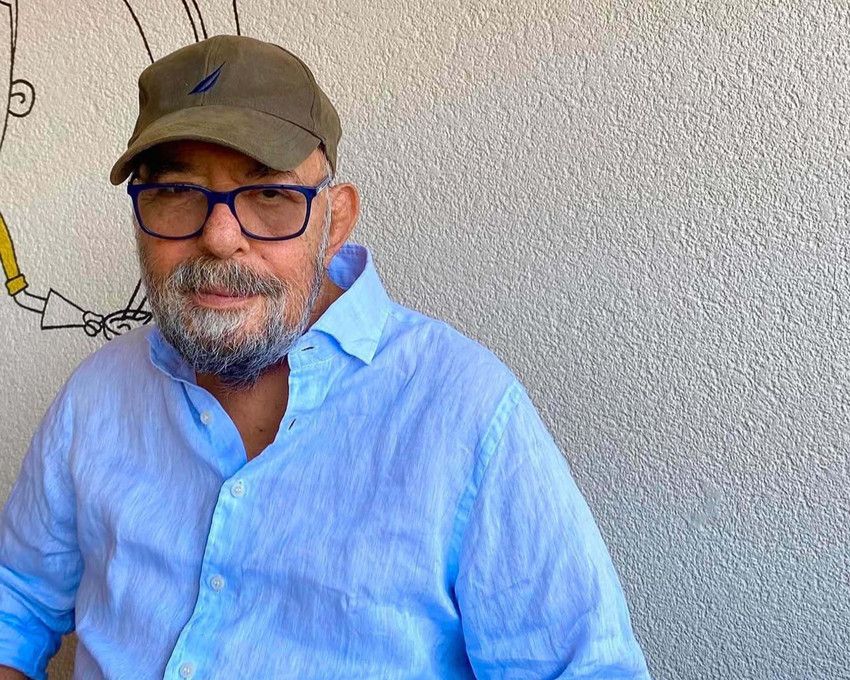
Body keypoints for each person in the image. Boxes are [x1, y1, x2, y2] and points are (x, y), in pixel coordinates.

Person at [0, 35, 651, 679]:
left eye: (270, 195)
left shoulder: (464, 412)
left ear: (334, 220)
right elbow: (16, 604)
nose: (220, 237)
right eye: (176, 191)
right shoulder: (98, 394)